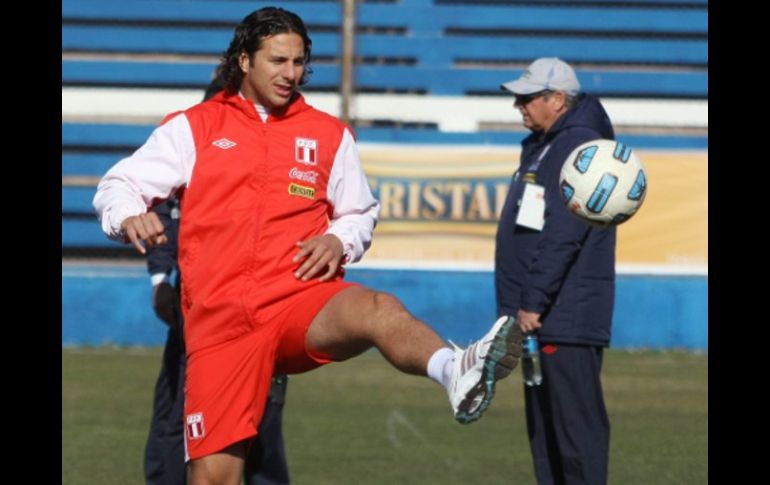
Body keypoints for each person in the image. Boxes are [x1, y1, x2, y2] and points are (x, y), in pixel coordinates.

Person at [93, 7, 523, 484]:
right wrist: (128, 214)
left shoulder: (329, 134)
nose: (290, 73)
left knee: (377, 308)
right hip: (221, 324)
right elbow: (120, 184)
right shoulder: (194, 127)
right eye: (278, 61)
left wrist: (339, 239)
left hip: (296, 298)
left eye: (299, 62)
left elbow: (360, 212)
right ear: (244, 60)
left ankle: (454, 369)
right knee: (215, 476)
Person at [495, 57, 617, 484]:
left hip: (562, 316)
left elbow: (564, 232)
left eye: (527, 98)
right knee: (546, 436)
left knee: (575, 436)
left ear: (558, 99)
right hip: (546, 318)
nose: (519, 107)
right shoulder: (545, 143)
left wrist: (532, 302)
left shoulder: (576, 146)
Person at [144, 197, 290, 485]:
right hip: (200, 304)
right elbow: (166, 206)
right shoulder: (195, 155)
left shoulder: (277, 166)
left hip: (264, 303)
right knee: (177, 417)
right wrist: (160, 278)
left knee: (262, 419)